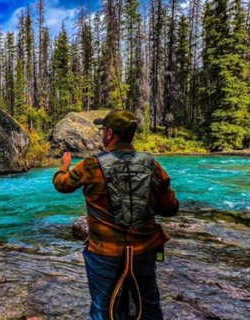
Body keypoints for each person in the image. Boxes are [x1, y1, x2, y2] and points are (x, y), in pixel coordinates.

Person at [52, 110, 179, 320]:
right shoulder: (152, 164)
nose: (102, 134)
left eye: (103, 130)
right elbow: (171, 208)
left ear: (109, 133)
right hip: (143, 250)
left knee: (102, 309)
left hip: (104, 253)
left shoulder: (91, 165)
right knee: (149, 308)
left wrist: (63, 166)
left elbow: (62, 185)